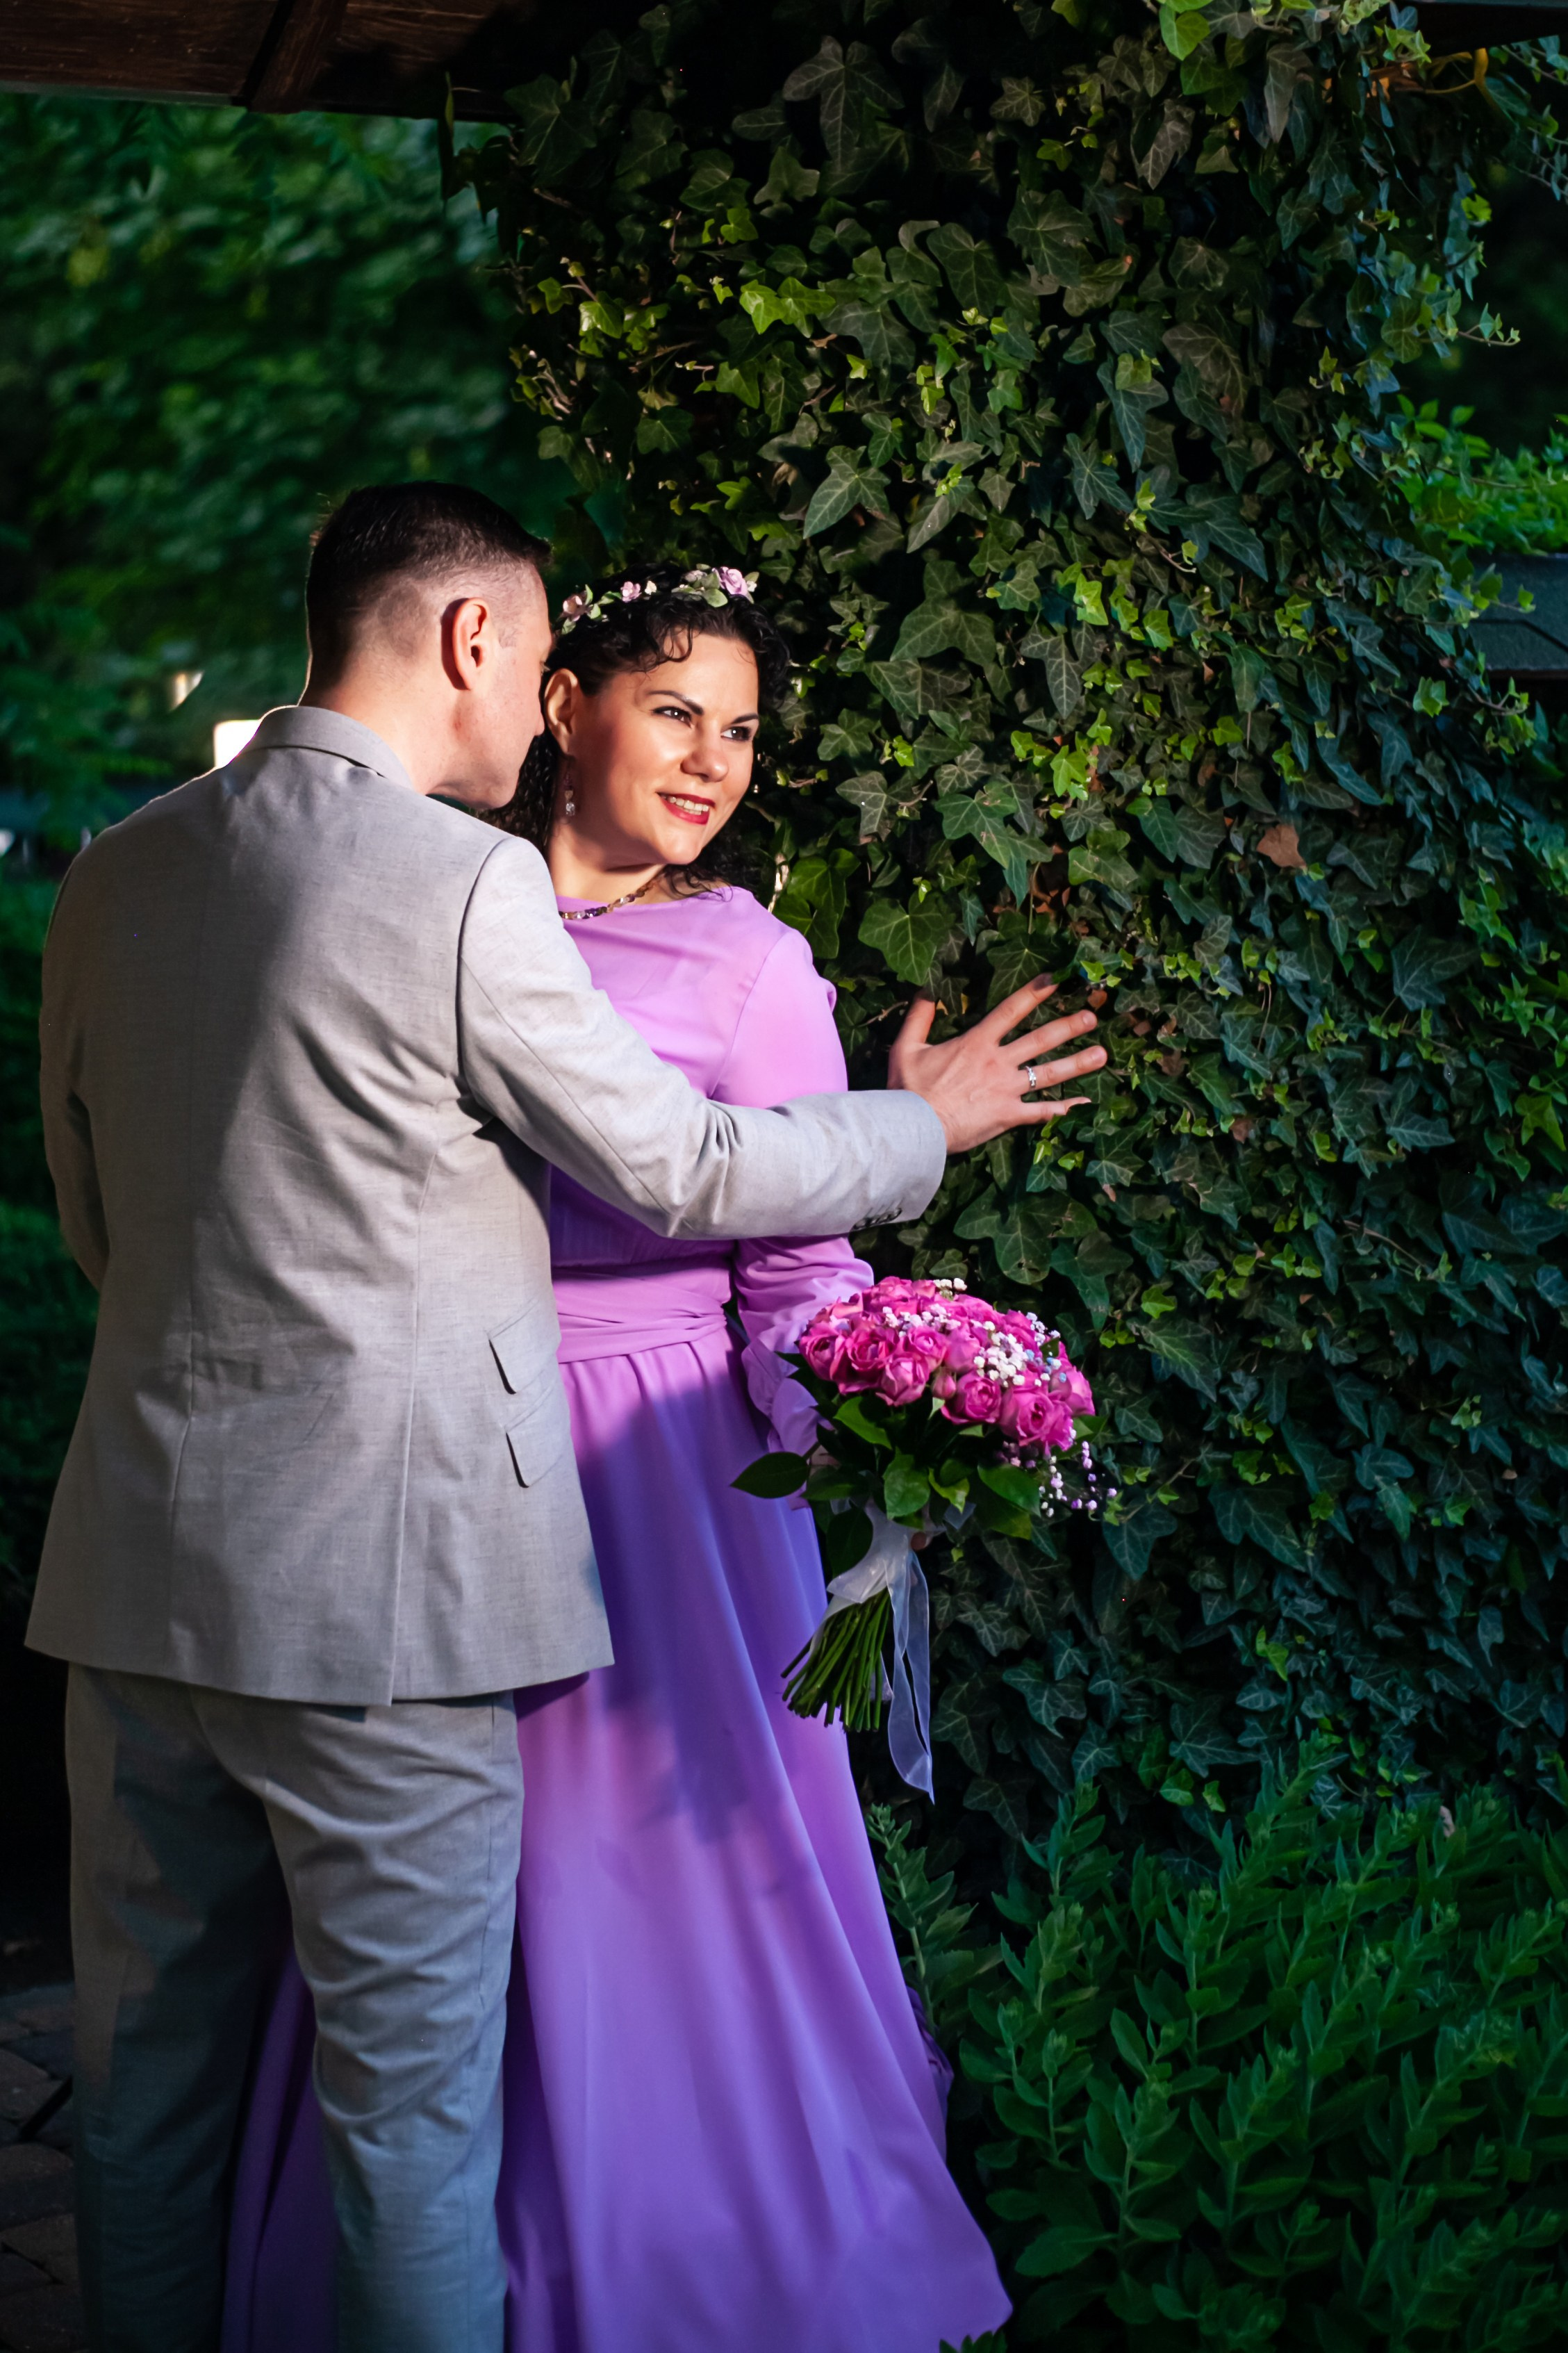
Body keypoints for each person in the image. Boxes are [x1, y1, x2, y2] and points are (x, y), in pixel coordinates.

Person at [27, 486, 1106, 2353]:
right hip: (393, 1591)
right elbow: (682, 1163)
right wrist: (920, 1125)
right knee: (419, 2132)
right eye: (549, 667)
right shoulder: (459, 885)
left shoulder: (121, 867)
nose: (540, 708)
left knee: (143, 2101)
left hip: (139, 1579)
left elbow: (94, 1219)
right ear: (474, 642)